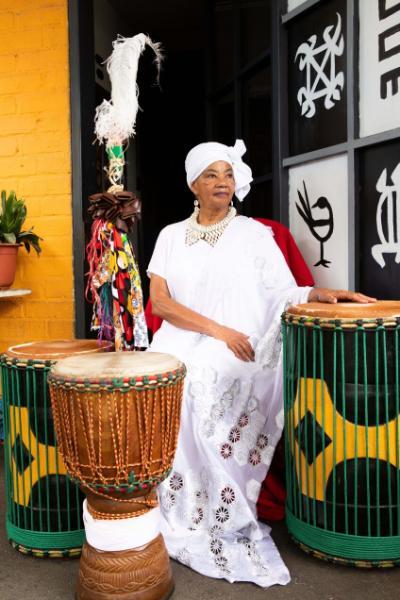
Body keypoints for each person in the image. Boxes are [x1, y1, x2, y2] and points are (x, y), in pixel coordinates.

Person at [147, 140, 374, 587]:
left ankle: (216, 507)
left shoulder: (253, 233)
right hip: (184, 335)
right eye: (211, 174)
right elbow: (161, 302)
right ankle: (164, 504)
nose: (222, 182)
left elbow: (280, 291)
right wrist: (218, 331)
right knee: (162, 375)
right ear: (193, 184)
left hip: (237, 340)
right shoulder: (171, 235)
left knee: (204, 378)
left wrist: (318, 293)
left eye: (228, 174)